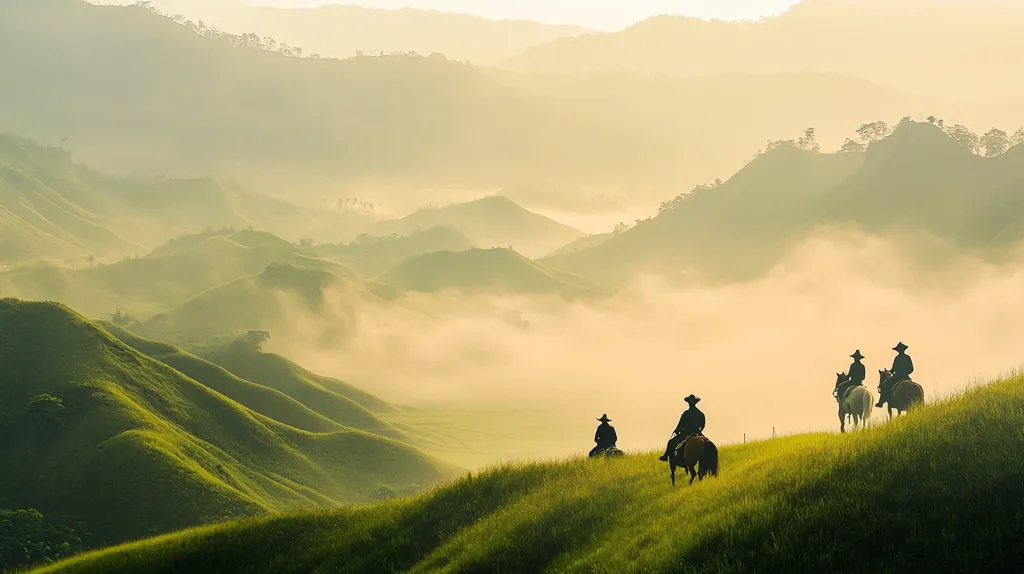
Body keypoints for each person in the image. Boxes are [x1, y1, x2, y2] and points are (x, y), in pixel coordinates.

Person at [659, 395, 705, 462]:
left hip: (686, 433)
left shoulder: (686, 413)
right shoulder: (700, 413)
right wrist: (699, 431)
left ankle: (665, 456)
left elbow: (680, 424)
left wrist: (677, 430)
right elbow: (703, 425)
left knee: (671, 442)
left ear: (689, 403)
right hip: (697, 433)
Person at [877, 342, 914, 407]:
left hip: (897, 377)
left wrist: (889, 371)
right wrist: (906, 373)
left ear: (898, 350)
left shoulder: (897, 358)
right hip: (906, 377)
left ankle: (881, 402)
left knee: (884, 385)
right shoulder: (908, 357)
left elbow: (893, 369)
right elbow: (911, 369)